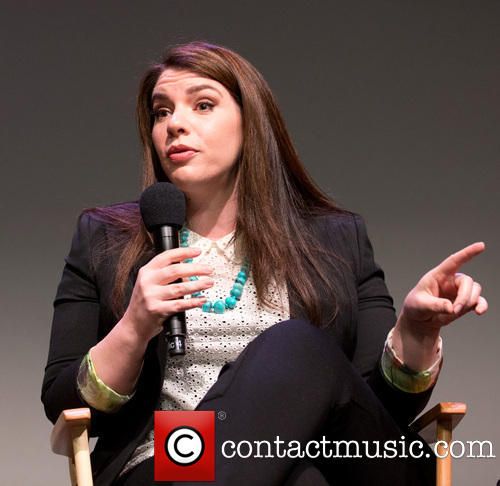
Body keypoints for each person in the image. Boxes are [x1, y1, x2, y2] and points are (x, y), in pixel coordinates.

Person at [41, 41, 488, 486]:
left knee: (296, 354)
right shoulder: (105, 240)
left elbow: (376, 410)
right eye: (161, 112)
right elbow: (63, 404)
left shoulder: (336, 239)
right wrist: (134, 328)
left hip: (322, 452)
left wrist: (415, 334)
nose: (174, 124)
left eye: (202, 105)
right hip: (174, 456)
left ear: (250, 121)